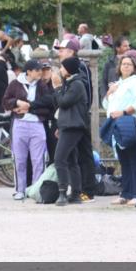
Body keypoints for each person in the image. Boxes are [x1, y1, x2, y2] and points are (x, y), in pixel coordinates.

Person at [2, 60, 55, 201]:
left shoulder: (42, 85)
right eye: (37, 70)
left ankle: (35, 189)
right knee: (19, 159)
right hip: (19, 124)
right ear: (29, 71)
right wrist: (17, 102)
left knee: (38, 160)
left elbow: (49, 104)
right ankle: (20, 189)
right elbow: (5, 101)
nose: (40, 73)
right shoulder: (15, 84)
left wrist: (30, 107)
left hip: (37, 124)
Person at [54, 37, 97, 200]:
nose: (60, 53)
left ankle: (87, 190)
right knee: (72, 157)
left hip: (78, 119)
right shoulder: (66, 75)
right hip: (68, 120)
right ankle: (77, 191)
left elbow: (85, 94)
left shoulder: (80, 69)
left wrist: (81, 114)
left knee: (83, 154)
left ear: (71, 52)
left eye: (62, 50)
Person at [102, 55, 136, 206]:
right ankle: (126, 193)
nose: (126, 66)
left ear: (134, 68)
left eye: (129, 64)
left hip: (130, 124)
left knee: (135, 160)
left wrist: (124, 112)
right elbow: (106, 105)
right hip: (116, 126)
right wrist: (109, 93)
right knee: (124, 161)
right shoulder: (118, 84)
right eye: (123, 64)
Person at [52, 56, 90, 206]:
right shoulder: (70, 83)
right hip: (67, 125)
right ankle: (75, 193)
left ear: (68, 69)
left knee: (59, 159)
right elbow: (58, 104)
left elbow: (64, 102)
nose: (60, 70)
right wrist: (60, 126)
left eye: (62, 67)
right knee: (71, 160)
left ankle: (62, 192)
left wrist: (57, 88)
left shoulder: (77, 84)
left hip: (74, 126)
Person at [101, 36, 131, 101]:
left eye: (128, 46)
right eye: (125, 46)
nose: (128, 48)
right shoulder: (109, 64)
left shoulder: (132, 63)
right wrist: (104, 98)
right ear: (118, 48)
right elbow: (104, 82)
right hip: (112, 99)